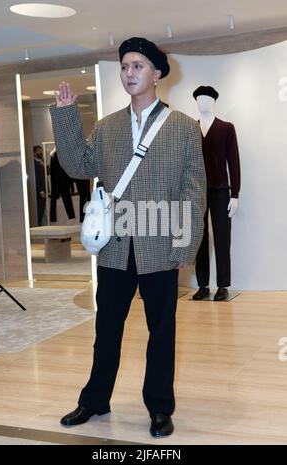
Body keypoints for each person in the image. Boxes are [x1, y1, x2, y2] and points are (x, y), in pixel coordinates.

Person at [49, 37, 206, 438]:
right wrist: (66, 117)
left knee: (162, 331)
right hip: (115, 247)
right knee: (107, 329)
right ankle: (94, 400)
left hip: (160, 246)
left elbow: (194, 190)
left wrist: (183, 245)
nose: (130, 73)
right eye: (124, 66)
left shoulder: (185, 127)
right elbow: (78, 164)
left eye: (138, 66)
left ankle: (159, 407)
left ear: (156, 73)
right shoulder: (107, 127)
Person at [192, 86, 241, 301]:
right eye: (199, 100)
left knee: (222, 238)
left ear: (214, 102)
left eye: (207, 99)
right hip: (196, 191)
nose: (203, 103)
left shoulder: (226, 128)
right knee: (200, 239)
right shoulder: (191, 129)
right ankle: (202, 285)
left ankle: (223, 285)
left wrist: (235, 194)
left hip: (221, 190)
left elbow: (234, 162)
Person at [33, 145, 46, 226]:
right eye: (38, 151)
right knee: (39, 209)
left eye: (41, 151)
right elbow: (37, 178)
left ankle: (39, 224)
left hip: (44, 190)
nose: (40, 152)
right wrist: (41, 191)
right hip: (39, 191)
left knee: (42, 209)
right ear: (34, 153)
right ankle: (38, 225)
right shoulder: (34, 163)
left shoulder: (41, 162)